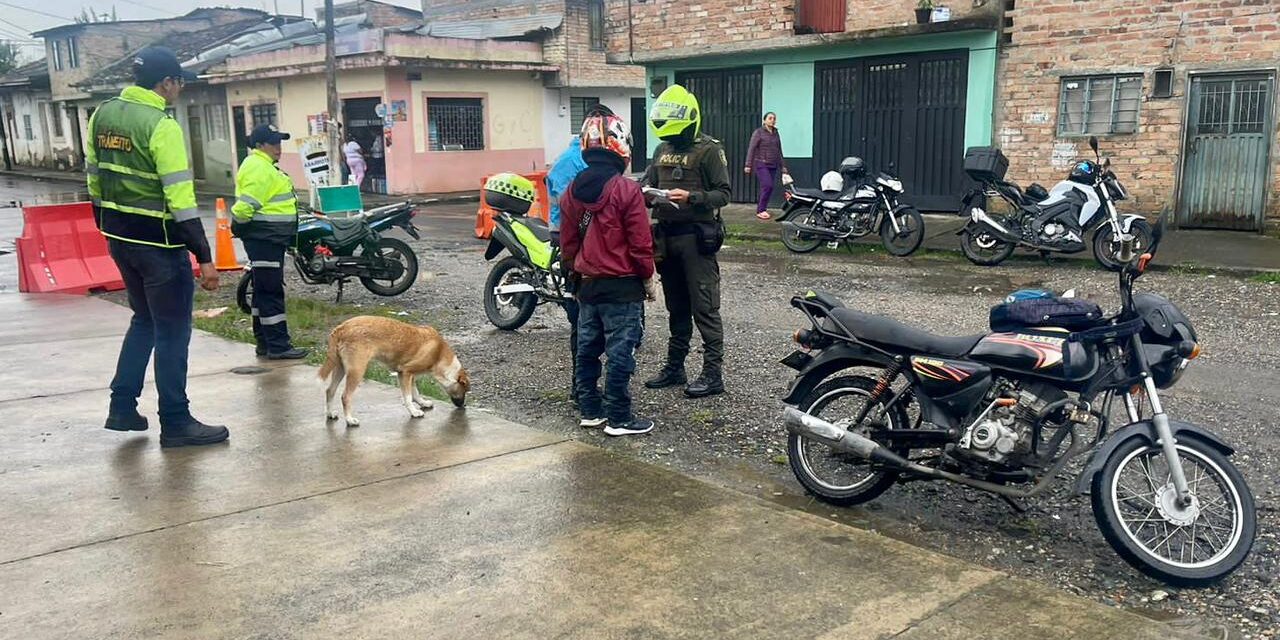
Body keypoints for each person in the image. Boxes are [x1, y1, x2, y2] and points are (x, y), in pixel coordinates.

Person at [86, 46, 228, 448]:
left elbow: (94, 179)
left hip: (120, 239)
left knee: (144, 322)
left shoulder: (102, 114)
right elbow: (180, 199)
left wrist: (108, 226)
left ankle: (122, 407)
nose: (179, 91)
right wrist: (204, 256)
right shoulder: (161, 125)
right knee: (171, 332)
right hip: (160, 246)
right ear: (167, 83)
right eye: (179, 84)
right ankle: (177, 421)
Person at [559, 110, 657, 436]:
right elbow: (641, 244)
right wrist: (648, 279)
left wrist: (573, 277)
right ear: (621, 147)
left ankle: (590, 410)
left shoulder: (571, 191)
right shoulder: (627, 191)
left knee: (587, 349)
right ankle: (619, 417)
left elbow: (568, 244)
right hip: (622, 287)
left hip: (587, 287)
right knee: (620, 351)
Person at [642, 84, 731, 399]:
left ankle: (712, 374)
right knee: (676, 307)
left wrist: (693, 197)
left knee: (705, 307)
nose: (672, 138)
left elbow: (724, 193)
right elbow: (650, 184)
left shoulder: (709, 150)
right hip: (667, 239)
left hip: (697, 239)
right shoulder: (661, 149)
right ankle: (675, 367)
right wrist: (648, 197)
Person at [231, 124, 308, 360]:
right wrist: (240, 224)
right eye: (273, 142)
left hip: (267, 238)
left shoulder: (262, 165)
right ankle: (278, 345)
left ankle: (265, 342)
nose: (278, 147)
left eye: (280, 142)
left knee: (262, 291)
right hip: (264, 238)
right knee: (271, 292)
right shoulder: (259, 168)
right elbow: (244, 208)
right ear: (259, 145)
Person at [546, 134, 589, 403]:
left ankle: (580, 388)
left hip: (560, 234)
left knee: (579, 319)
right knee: (585, 320)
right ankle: (584, 389)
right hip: (572, 235)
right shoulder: (581, 161)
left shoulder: (567, 157)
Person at [744, 111, 788, 220]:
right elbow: (751, 148)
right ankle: (761, 210)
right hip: (761, 163)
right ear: (764, 120)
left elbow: (779, 150)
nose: (772, 120)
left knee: (768, 188)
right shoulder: (758, 132)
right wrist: (748, 164)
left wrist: (783, 166)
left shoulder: (776, 133)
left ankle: (763, 208)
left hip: (773, 164)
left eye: (774, 118)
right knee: (768, 185)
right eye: (770, 118)